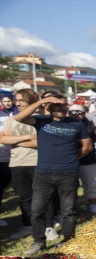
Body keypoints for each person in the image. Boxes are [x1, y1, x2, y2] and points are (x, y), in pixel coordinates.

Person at [14, 94, 93, 255]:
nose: (62, 108)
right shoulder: (42, 120)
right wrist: (42, 101)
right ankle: (39, 242)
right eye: (57, 106)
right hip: (43, 173)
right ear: (49, 107)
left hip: (68, 173)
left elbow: (87, 147)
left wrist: (71, 159)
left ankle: (67, 241)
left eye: (64, 105)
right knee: (37, 210)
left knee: (69, 211)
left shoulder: (76, 124)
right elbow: (20, 117)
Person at [0, 89, 59, 240]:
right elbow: (3, 140)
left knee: (45, 196)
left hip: (39, 162)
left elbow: (43, 142)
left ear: (31, 101)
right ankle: (28, 225)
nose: (18, 103)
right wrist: (27, 137)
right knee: (25, 197)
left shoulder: (41, 119)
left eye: (22, 100)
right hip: (17, 162)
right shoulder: (10, 119)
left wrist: (17, 139)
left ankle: (48, 226)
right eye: (16, 100)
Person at [68, 105, 96, 214]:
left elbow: (90, 141)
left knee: (90, 183)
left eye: (79, 112)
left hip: (88, 159)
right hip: (69, 159)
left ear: (84, 113)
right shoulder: (65, 125)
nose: (76, 114)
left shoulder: (89, 126)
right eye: (73, 112)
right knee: (70, 185)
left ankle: (93, 204)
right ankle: (71, 206)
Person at [0, 93, 17, 226]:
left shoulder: (19, 114)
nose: (7, 103)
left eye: (9, 101)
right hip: (1, 156)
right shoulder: (0, 115)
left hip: (16, 155)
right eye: (4, 101)